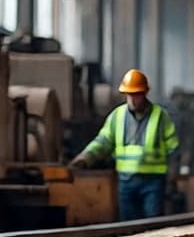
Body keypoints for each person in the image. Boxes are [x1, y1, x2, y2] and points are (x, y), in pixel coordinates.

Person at [70, 68, 179, 221]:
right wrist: (85, 158)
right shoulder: (117, 116)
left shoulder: (160, 116)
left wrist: (173, 178)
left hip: (153, 181)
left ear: (145, 93)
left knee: (152, 224)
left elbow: (173, 148)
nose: (133, 99)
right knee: (128, 226)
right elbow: (103, 141)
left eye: (137, 95)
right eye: (130, 95)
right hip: (126, 182)